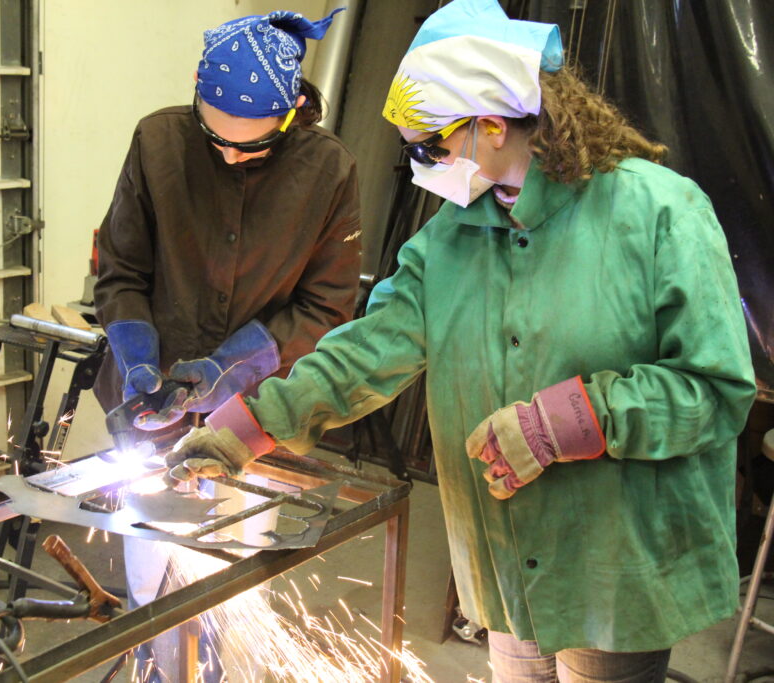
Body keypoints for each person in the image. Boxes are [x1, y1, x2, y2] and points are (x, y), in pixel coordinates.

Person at [163, 0, 757, 680]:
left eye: (430, 147)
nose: (421, 166)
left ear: (494, 124)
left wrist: (566, 422)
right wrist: (247, 426)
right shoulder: (450, 241)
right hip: (507, 563)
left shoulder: (659, 213)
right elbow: (368, 348)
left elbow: (714, 388)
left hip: (610, 571)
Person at [90, 8, 361, 681]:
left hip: (255, 416)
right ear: (195, 89)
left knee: (233, 591)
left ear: (293, 110)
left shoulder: (329, 172)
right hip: (152, 409)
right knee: (150, 585)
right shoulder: (158, 141)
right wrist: (136, 356)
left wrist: (230, 363)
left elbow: (327, 305)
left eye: (253, 147)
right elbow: (120, 268)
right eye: (217, 140)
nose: (231, 156)